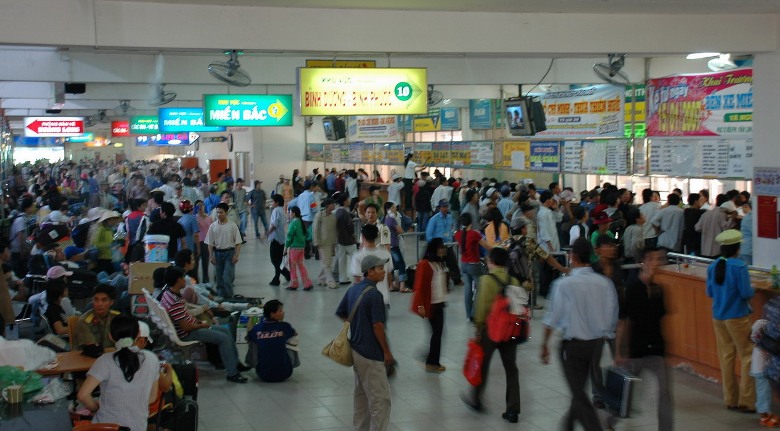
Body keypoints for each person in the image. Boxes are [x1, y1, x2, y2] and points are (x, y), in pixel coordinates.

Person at [541, 238, 619, 431]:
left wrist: (544, 344)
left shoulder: (564, 284)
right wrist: (605, 335)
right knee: (578, 392)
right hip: (595, 346)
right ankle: (567, 426)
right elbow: (612, 317)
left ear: (572, 256)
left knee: (579, 394)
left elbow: (553, 317)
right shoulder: (604, 283)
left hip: (572, 348)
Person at [614, 247, 674, 430]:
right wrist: (619, 352)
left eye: (659, 259)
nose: (657, 263)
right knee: (627, 393)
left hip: (656, 349)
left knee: (665, 393)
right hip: (635, 350)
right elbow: (623, 322)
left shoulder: (659, 290)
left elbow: (663, 320)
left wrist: (669, 347)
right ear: (644, 262)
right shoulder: (632, 289)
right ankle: (610, 420)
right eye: (653, 259)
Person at [461, 247, 522, 423]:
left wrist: (478, 328)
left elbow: (481, 307)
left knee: (483, 363)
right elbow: (519, 310)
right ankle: (513, 409)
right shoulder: (514, 281)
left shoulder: (486, 280)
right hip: (510, 331)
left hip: (491, 330)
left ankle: (476, 399)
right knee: (511, 369)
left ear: (492, 262)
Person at [160, 266, 250, 383]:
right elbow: (186, 327)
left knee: (225, 331)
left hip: (189, 327)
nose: (185, 280)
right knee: (223, 338)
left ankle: (236, 363)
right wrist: (201, 325)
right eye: (183, 278)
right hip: (188, 333)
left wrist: (197, 321)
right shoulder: (174, 302)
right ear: (177, 280)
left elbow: (184, 316)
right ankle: (232, 373)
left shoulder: (169, 293)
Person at [335, 255, 394, 431]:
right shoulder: (375, 295)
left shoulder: (354, 290)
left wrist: (358, 324)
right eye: (380, 269)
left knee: (361, 397)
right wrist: (387, 352)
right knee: (380, 400)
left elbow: (341, 312)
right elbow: (378, 327)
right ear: (369, 271)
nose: (384, 272)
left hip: (356, 350)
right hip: (372, 354)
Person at [77, 315, 160, 431]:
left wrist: (96, 407)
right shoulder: (152, 359)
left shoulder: (105, 361)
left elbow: (82, 395)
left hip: (107, 427)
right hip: (138, 427)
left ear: (110, 336)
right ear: (138, 334)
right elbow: (151, 397)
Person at [705, 229, 755, 412]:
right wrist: (754, 289)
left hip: (718, 316)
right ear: (738, 247)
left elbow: (709, 292)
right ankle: (747, 401)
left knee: (726, 357)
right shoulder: (739, 267)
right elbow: (746, 293)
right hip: (738, 317)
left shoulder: (713, 266)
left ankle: (730, 400)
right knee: (748, 356)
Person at [410, 238, 449, 372]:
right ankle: (432, 362)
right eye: (440, 247)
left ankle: (431, 360)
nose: (443, 249)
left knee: (437, 333)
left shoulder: (440, 263)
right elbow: (419, 286)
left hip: (439, 302)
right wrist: (420, 305)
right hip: (430, 304)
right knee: (437, 333)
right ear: (433, 249)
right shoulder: (425, 264)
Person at [247, 299, 298, 382]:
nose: (283, 312)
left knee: (254, 342)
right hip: (285, 374)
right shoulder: (285, 326)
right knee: (292, 341)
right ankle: (290, 364)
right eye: (280, 311)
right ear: (272, 314)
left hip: (263, 374)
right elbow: (295, 333)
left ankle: (252, 364)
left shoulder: (257, 328)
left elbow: (249, 336)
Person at [455, 212, 493, 320]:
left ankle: (468, 315)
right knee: (479, 289)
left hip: (463, 264)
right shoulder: (474, 234)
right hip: (474, 264)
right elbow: (486, 246)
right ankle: (474, 313)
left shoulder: (458, 234)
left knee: (468, 290)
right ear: (471, 221)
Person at [205, 203, 242, 298]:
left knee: (227, 278)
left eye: (221, 212)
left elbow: (238, 242)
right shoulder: (213, 226)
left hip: (229, 254)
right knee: (219, 279)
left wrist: (236, 255)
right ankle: (222, 299)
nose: (219, 214)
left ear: (226, 212)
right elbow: (210, 243)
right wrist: (211, 256)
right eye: (217, 212)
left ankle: (230, 298)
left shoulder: (232, 226)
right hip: (217, 254)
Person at [74, 283, 120, 350]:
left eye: (104, 300)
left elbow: (126, 342)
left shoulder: (117, 318)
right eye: (96, 299)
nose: (99, 304)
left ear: (111, 302)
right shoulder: (84, 321)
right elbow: (93, 349)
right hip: (90, 358)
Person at [284, 206, 313, 291]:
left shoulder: (293, 223)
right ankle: (307, 283)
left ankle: (294, 284)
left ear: (294, 213)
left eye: (290, 212)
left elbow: (289, 235)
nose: (289, 214)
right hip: (301, 247)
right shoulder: (301, 222)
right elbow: (307, 234)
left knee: (292, 267)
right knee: (301, 265)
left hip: (294, 248)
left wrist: (286, 246)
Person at [383, 201, 408, 292]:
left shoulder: (384, 219)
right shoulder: (392, 219)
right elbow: (401, 231)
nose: (395, 209)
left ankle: (392, 285)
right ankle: (402, 286)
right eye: (393, 208)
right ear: (388, 210)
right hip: (394, 245)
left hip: (388, 245)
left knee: (391, 266)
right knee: (401, 264)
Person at [313, 197, 337, 288]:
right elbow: (315, 229)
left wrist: (334, 242)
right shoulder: (319, 215)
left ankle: (321, 279)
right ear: (327, 205)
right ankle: (331, 282)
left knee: (327, 262)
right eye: (332, 204)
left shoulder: (333, 216)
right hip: (322, 243)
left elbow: (334, 230)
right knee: (327, 263)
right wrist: (316, 242)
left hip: (330, 242)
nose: (334, 205)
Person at [267, 194, 291, 286]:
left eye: (272, 201)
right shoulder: (282, 211)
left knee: (274, 260)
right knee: (279, 260)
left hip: (275, 238)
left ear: (276, 203)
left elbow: (274, 224)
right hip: (281, 238)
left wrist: (268, 233)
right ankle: (284, 275)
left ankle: (280, 277)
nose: (271, 203)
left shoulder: (276, 211)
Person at [334, 192, 357, 285]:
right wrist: (353, 236)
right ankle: (358, 276)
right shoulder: (344, 213)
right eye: (348, 199)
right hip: (348, 240)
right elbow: (350, 227)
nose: (349, 200)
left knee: (342, 260)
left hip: (339, 239)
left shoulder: (337, 212)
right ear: (344, 201)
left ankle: (342, 278)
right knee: (356, 257)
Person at [194, 200, 212, 283]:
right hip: (197, 242)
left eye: (201, 205)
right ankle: (196, 281)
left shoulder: (209, 218)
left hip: (206, 243)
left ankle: (206, 281)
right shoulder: (194, 218)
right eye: (198, 206)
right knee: (196, 264)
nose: (200, 207)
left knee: (205, 263)